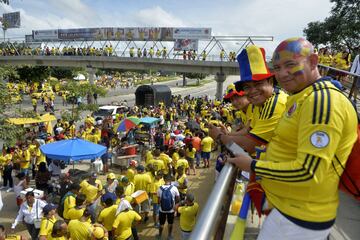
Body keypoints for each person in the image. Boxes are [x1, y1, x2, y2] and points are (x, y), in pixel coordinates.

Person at [226, 38, 358, 240]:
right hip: (289, 210)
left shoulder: (322, 101)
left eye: (290, 65)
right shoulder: (303, 96)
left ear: (313, 61)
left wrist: (253, 165)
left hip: (300, 219)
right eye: (277, 67)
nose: (282, 73)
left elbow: (309, 171)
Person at [209, 45, 288, 156]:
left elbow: (246, 147)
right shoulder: (259, 103)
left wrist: (219, 136)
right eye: (247, 87)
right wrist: (227, 134)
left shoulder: (275, 103)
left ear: (270, 82)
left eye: (258, 84)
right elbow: (248, 131)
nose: (252, 91)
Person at [157, 174, 180, 240]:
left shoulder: (159, 188)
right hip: (171, 210)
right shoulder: (174, 188)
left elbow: (158, 201)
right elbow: (178, 199)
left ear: (164, 180)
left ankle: (160, 235)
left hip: (162, 210)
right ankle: (169, 235)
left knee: (161, 223)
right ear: (170, 180)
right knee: (170, 223)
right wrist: (175, 205)